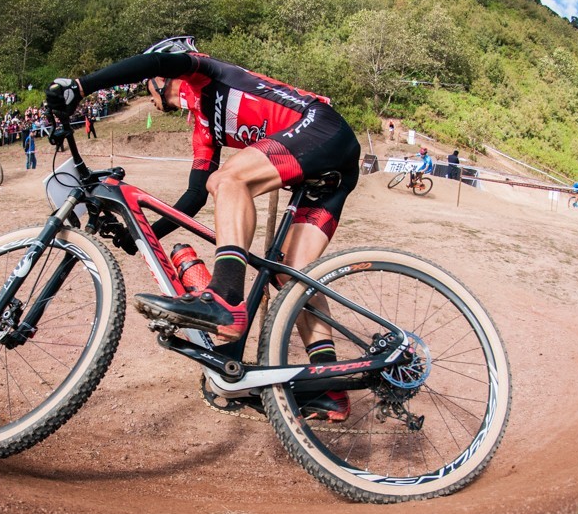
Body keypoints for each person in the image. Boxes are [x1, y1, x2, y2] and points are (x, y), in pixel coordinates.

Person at [48, 35, 360, 421]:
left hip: (322, 127)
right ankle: (329, 387)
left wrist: (82, 87)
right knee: (289, 278)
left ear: (163, 76)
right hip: (330, 172)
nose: (148, 94)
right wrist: (139, 235)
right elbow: (194, 196)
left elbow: (151, 65)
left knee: (229, 180)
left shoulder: (205, 72)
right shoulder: (203, 124)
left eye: (150, 86)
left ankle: (226, 295)